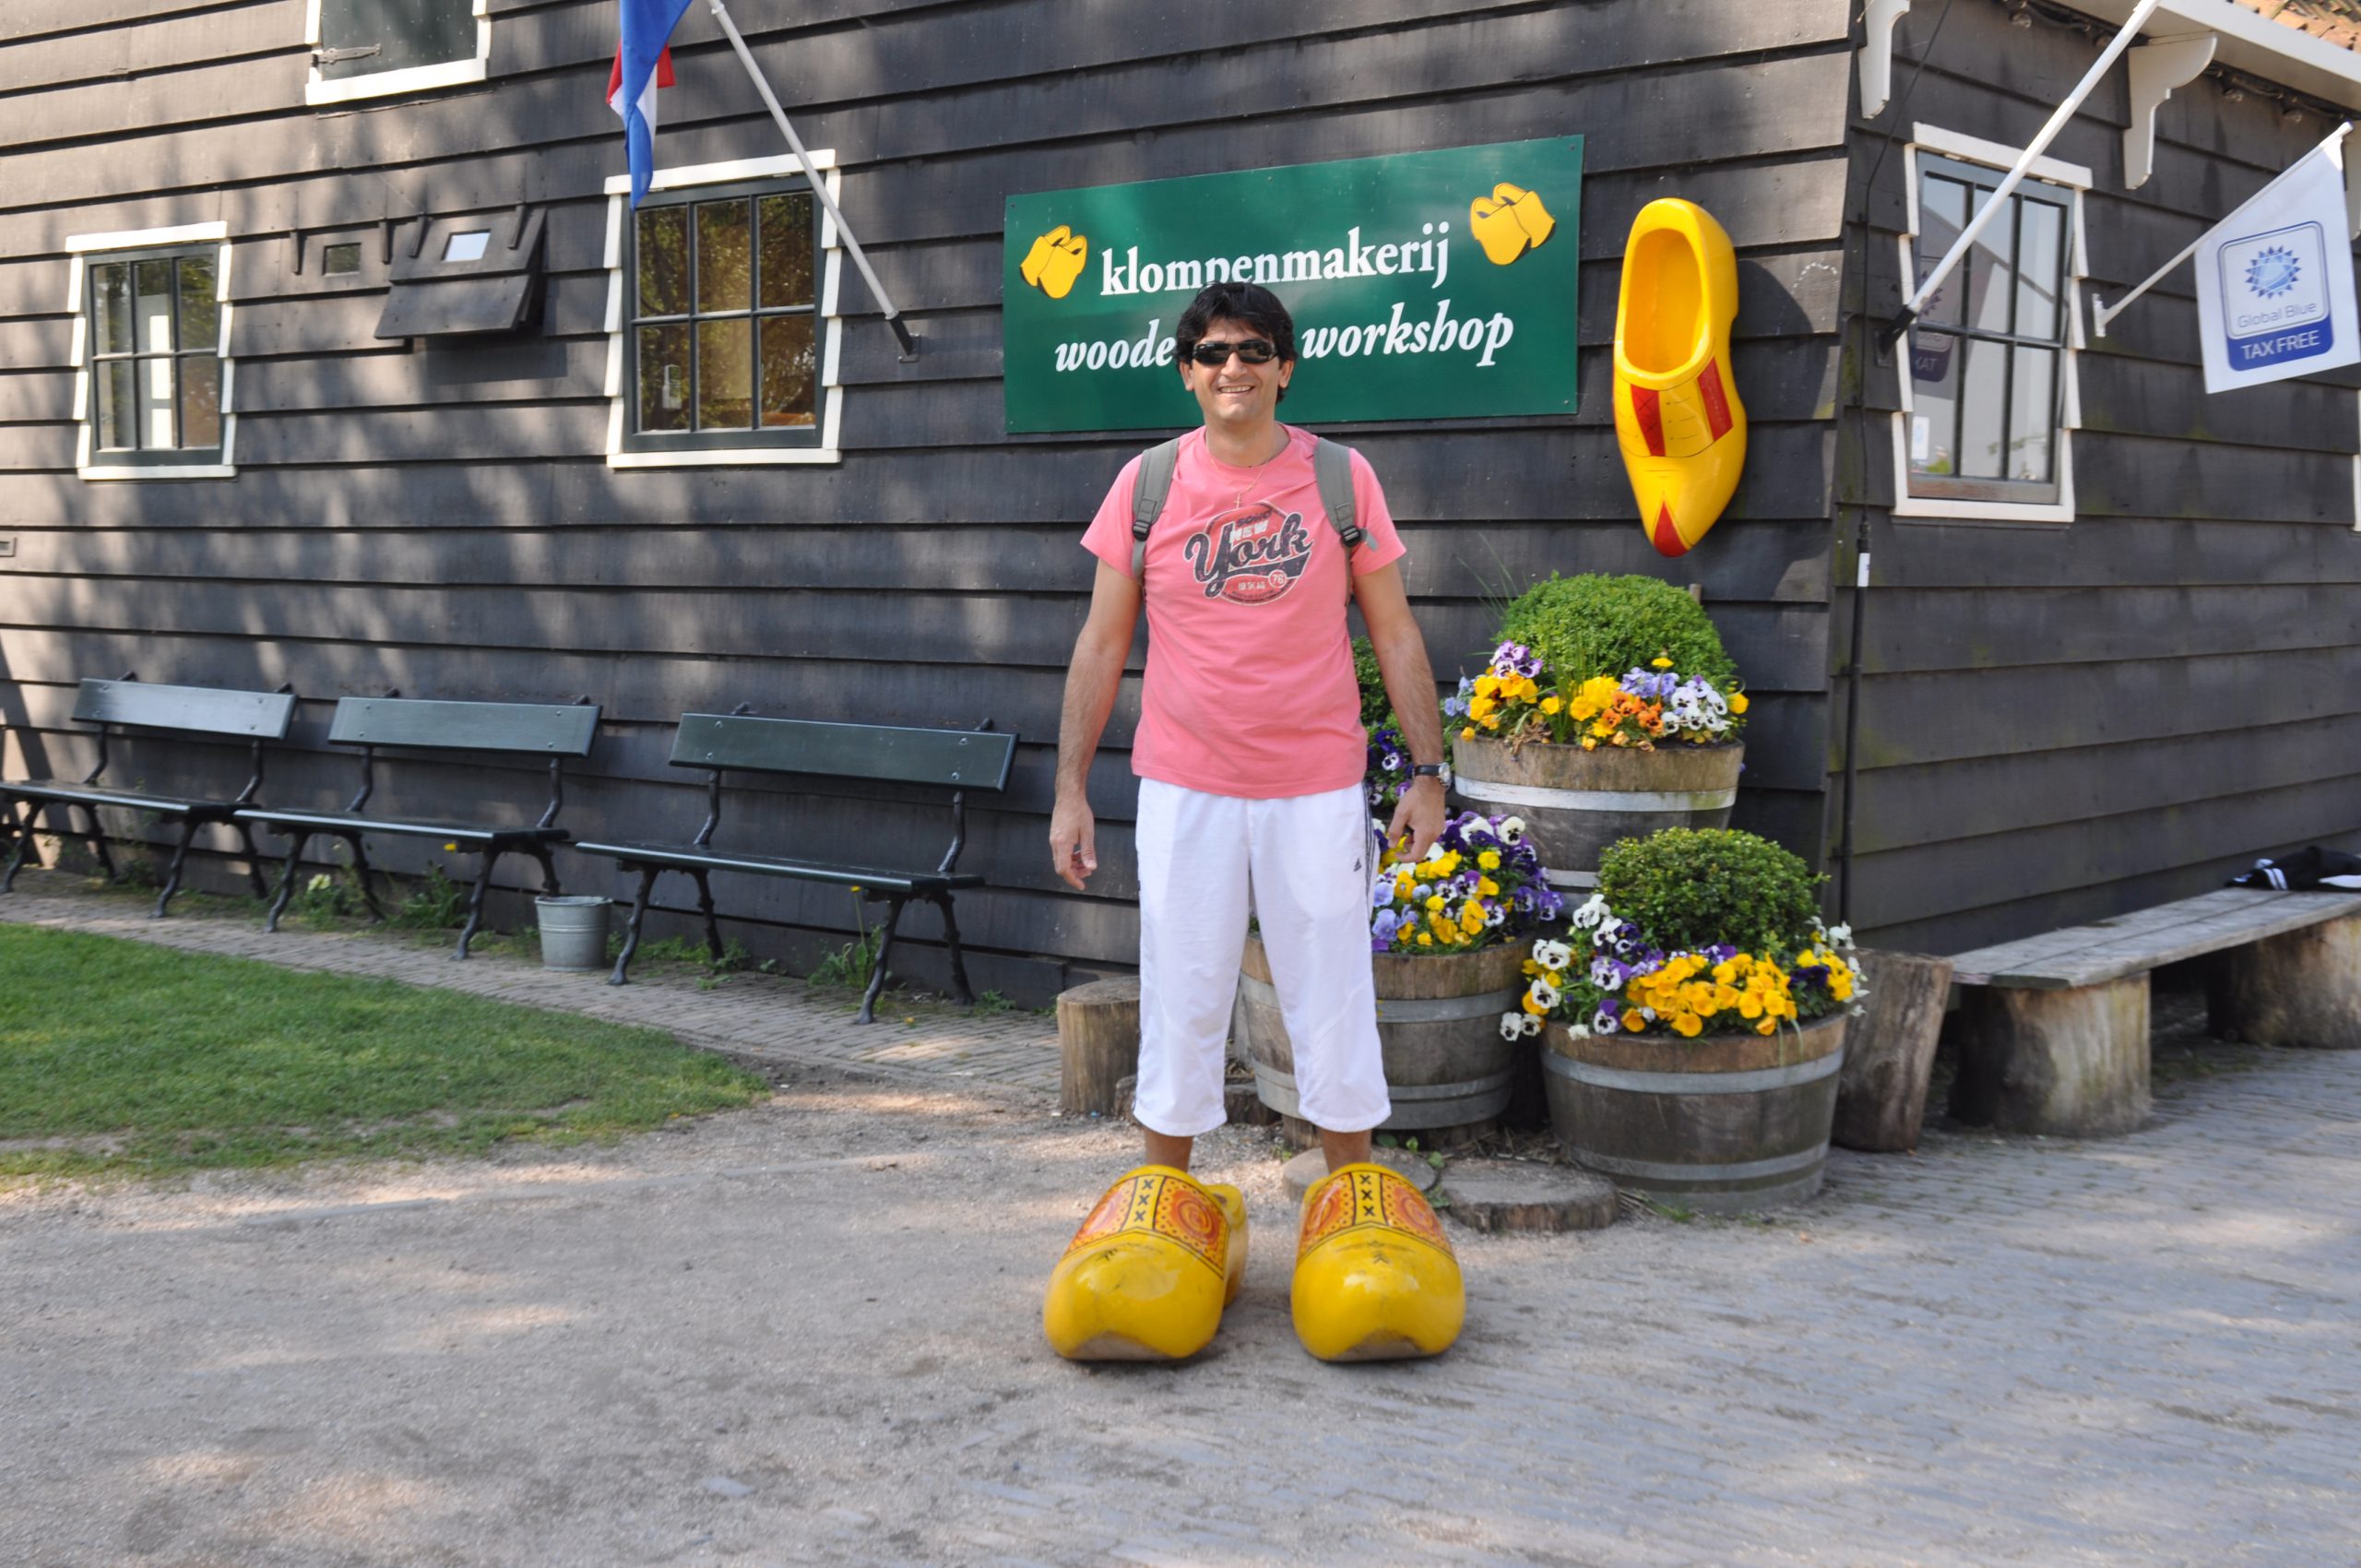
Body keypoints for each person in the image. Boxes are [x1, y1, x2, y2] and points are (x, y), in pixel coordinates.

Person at [1040, 281, 1463, 1365]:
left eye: (1254, 350)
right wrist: (1070, 787)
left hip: (1314, 783)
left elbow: (1396, 632)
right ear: (1186, 370)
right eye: (1212, 350)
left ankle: (1350, 1202)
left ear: (1284, 368)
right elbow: (1099, 644)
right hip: (1185, 783)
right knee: (1181, 986)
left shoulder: (1337, 477)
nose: (1232, 367)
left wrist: (1427, 771)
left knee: (1330, 992)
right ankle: (1165, 1212)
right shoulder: (1144, 485)